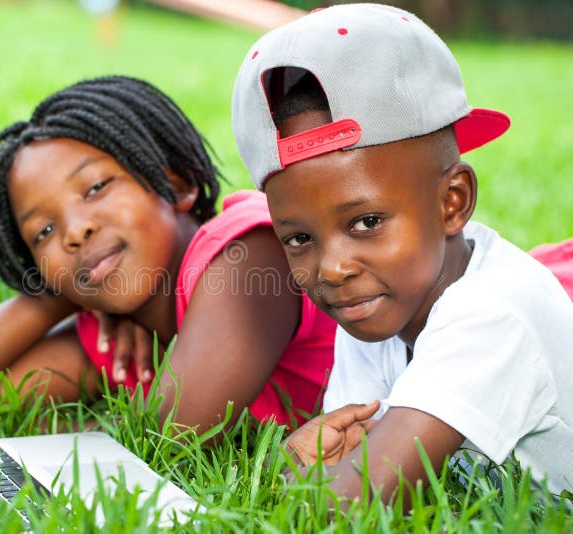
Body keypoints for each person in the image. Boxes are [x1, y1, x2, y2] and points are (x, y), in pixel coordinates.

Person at [230, 3, 573, 500]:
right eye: (300, 238)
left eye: (366, 222)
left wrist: (295, 479)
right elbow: (350, 465)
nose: (333, 268)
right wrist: (309, 464)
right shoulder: (376, 303)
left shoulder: (492, 314)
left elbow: (350, 503)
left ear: (452, 202)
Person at [0, 76, 336, 431]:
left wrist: (81, 432)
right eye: (43, 231)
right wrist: (55, 293)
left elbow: (173, 434)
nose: (75, 231)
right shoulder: (126, 338)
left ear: (177, 184)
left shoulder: (248, 252)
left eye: (96, 187)